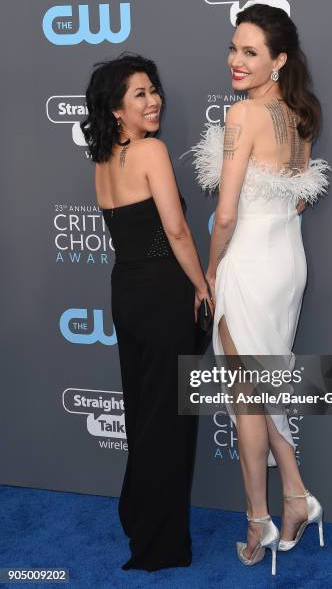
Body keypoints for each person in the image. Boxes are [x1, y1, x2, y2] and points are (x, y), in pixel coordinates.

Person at [191, 4, 329, 575]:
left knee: (248, 395)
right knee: (263, 385)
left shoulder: (243, 115)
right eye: (233, 48)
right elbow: (297, 198)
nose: (236, 61)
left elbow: (224, 215)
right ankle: (294, 497)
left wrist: (209, 273)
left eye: (251, 52)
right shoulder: (300, 116)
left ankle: (259, 518)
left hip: (247, 260)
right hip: (287, 260)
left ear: (278, 60)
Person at [81, 53, 212, 572]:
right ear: (116, 109)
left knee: (144, 414)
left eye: (153, 89)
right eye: (139, 94)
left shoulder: (102, 161)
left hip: (128, 293)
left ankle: (142, 520)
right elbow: (176, 230)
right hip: (163, 294)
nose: (153, 100)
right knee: (167, 421)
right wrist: (201, 285)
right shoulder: (151, 151)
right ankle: (160, 543)